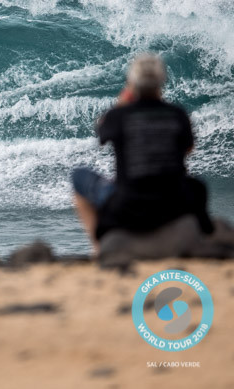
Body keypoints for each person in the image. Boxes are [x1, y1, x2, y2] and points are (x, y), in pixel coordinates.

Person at [72, 53, 214, 253]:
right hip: (173, 200)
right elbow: (189, 149)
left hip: (127, 204)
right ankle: (202, 233)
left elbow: (101, 134)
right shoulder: (177, 113)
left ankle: (98, 249)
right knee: (198, 184)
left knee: (79, 176)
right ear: (161, 81)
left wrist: (122, 102)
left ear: (132, 83)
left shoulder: (118, 116)